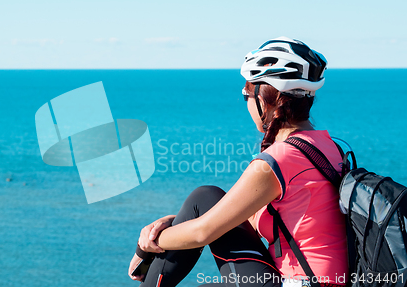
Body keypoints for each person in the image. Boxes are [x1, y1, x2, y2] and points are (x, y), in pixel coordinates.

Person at [128, 37, 348, 287]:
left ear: (266, 100)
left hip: (305, 284)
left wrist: (149, 241)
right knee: (206, 197)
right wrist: (178, 222)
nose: (246, 103)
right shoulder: (329, 147)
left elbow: (204, 232)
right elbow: (242, 218)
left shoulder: (277, 161)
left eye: (247, 94)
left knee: (203, 200)